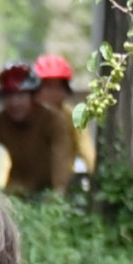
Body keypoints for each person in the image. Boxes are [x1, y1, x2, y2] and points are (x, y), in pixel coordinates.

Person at [0, 63, 76, 196]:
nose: (14, 103)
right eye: (8, 96)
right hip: (16, 190)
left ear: (34, 96)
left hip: (49, 190)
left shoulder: (53, 120)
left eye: (20, 96)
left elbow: (61, 160)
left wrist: (58, 195)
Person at [32, 53, 93, 181]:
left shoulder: (73, 117)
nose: (54, 93)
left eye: (59, 87)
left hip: (62, 187)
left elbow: (87, 152)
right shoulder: (27, 116)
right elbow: (9, 160)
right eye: (48, 86)